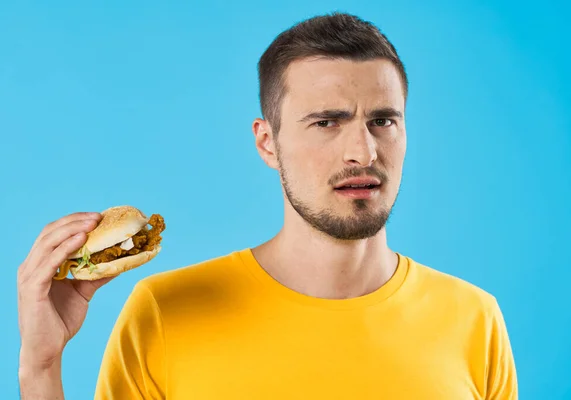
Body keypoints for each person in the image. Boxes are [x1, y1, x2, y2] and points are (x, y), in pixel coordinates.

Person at [17, 12, 518, 399]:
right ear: (267, 143)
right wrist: (41, 366)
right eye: (326, 122)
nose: (362, 152)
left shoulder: (475, 319)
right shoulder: (163, 313)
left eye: (383, 121)